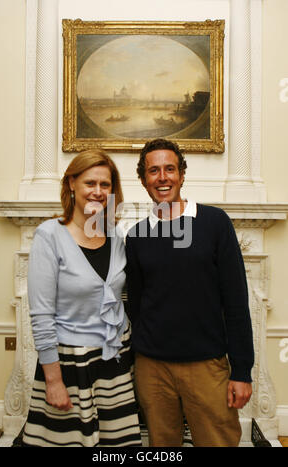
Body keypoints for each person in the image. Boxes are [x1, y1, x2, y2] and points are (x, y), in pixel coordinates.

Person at [125, 138, 254, 447]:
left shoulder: (214, 223)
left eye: (170, 169)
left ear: (182, 174)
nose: (162, 177)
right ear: (143, 179)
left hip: (207, 367)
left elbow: (236, 301)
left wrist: (242, 371)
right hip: (153, 369)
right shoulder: (136, 236)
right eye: (153, 171)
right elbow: (137, 303)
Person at [22, 149, 141, 447]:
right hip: (69, 365)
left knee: (116, 447)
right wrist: (54, 381)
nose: (98, 192)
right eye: (90, 183)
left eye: (105, 185)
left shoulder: (115, 236)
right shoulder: (49, 236)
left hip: (115, 362)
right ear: (71, 184)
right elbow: (41, 316)